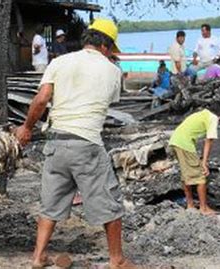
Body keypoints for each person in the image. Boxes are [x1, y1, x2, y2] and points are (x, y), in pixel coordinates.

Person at [15, 18, 140, 269]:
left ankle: (38, 256)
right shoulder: (113, 72)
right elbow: (106, 103)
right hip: (87, 143)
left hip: (56, 142)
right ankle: (117, 260)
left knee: (50, 204)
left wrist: (26, 128)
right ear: (105, 46)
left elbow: (41, 100)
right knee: (110, 203)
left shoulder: (59, 62)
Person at [169, 101, 220, 215]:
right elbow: (209, 141)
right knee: (200, 176)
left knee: (187, 175)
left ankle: (190, 205)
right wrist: (204, 162)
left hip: (175, 142)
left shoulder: (202, 114)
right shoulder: (213, 118)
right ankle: (203, 208)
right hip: (184, 144)